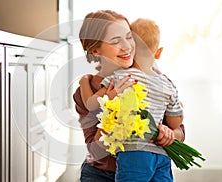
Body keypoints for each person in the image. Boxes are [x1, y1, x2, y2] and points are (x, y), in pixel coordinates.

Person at [73, 11, 185, 182]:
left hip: (148, 169)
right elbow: (95, 152)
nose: (127, 46)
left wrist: (170, 134)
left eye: (129, 37)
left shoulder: (150, 77)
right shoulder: (88, 90)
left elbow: (180, 130)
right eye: (116, 41)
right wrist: (111, 111)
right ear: (95, 50)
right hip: (100, 175)